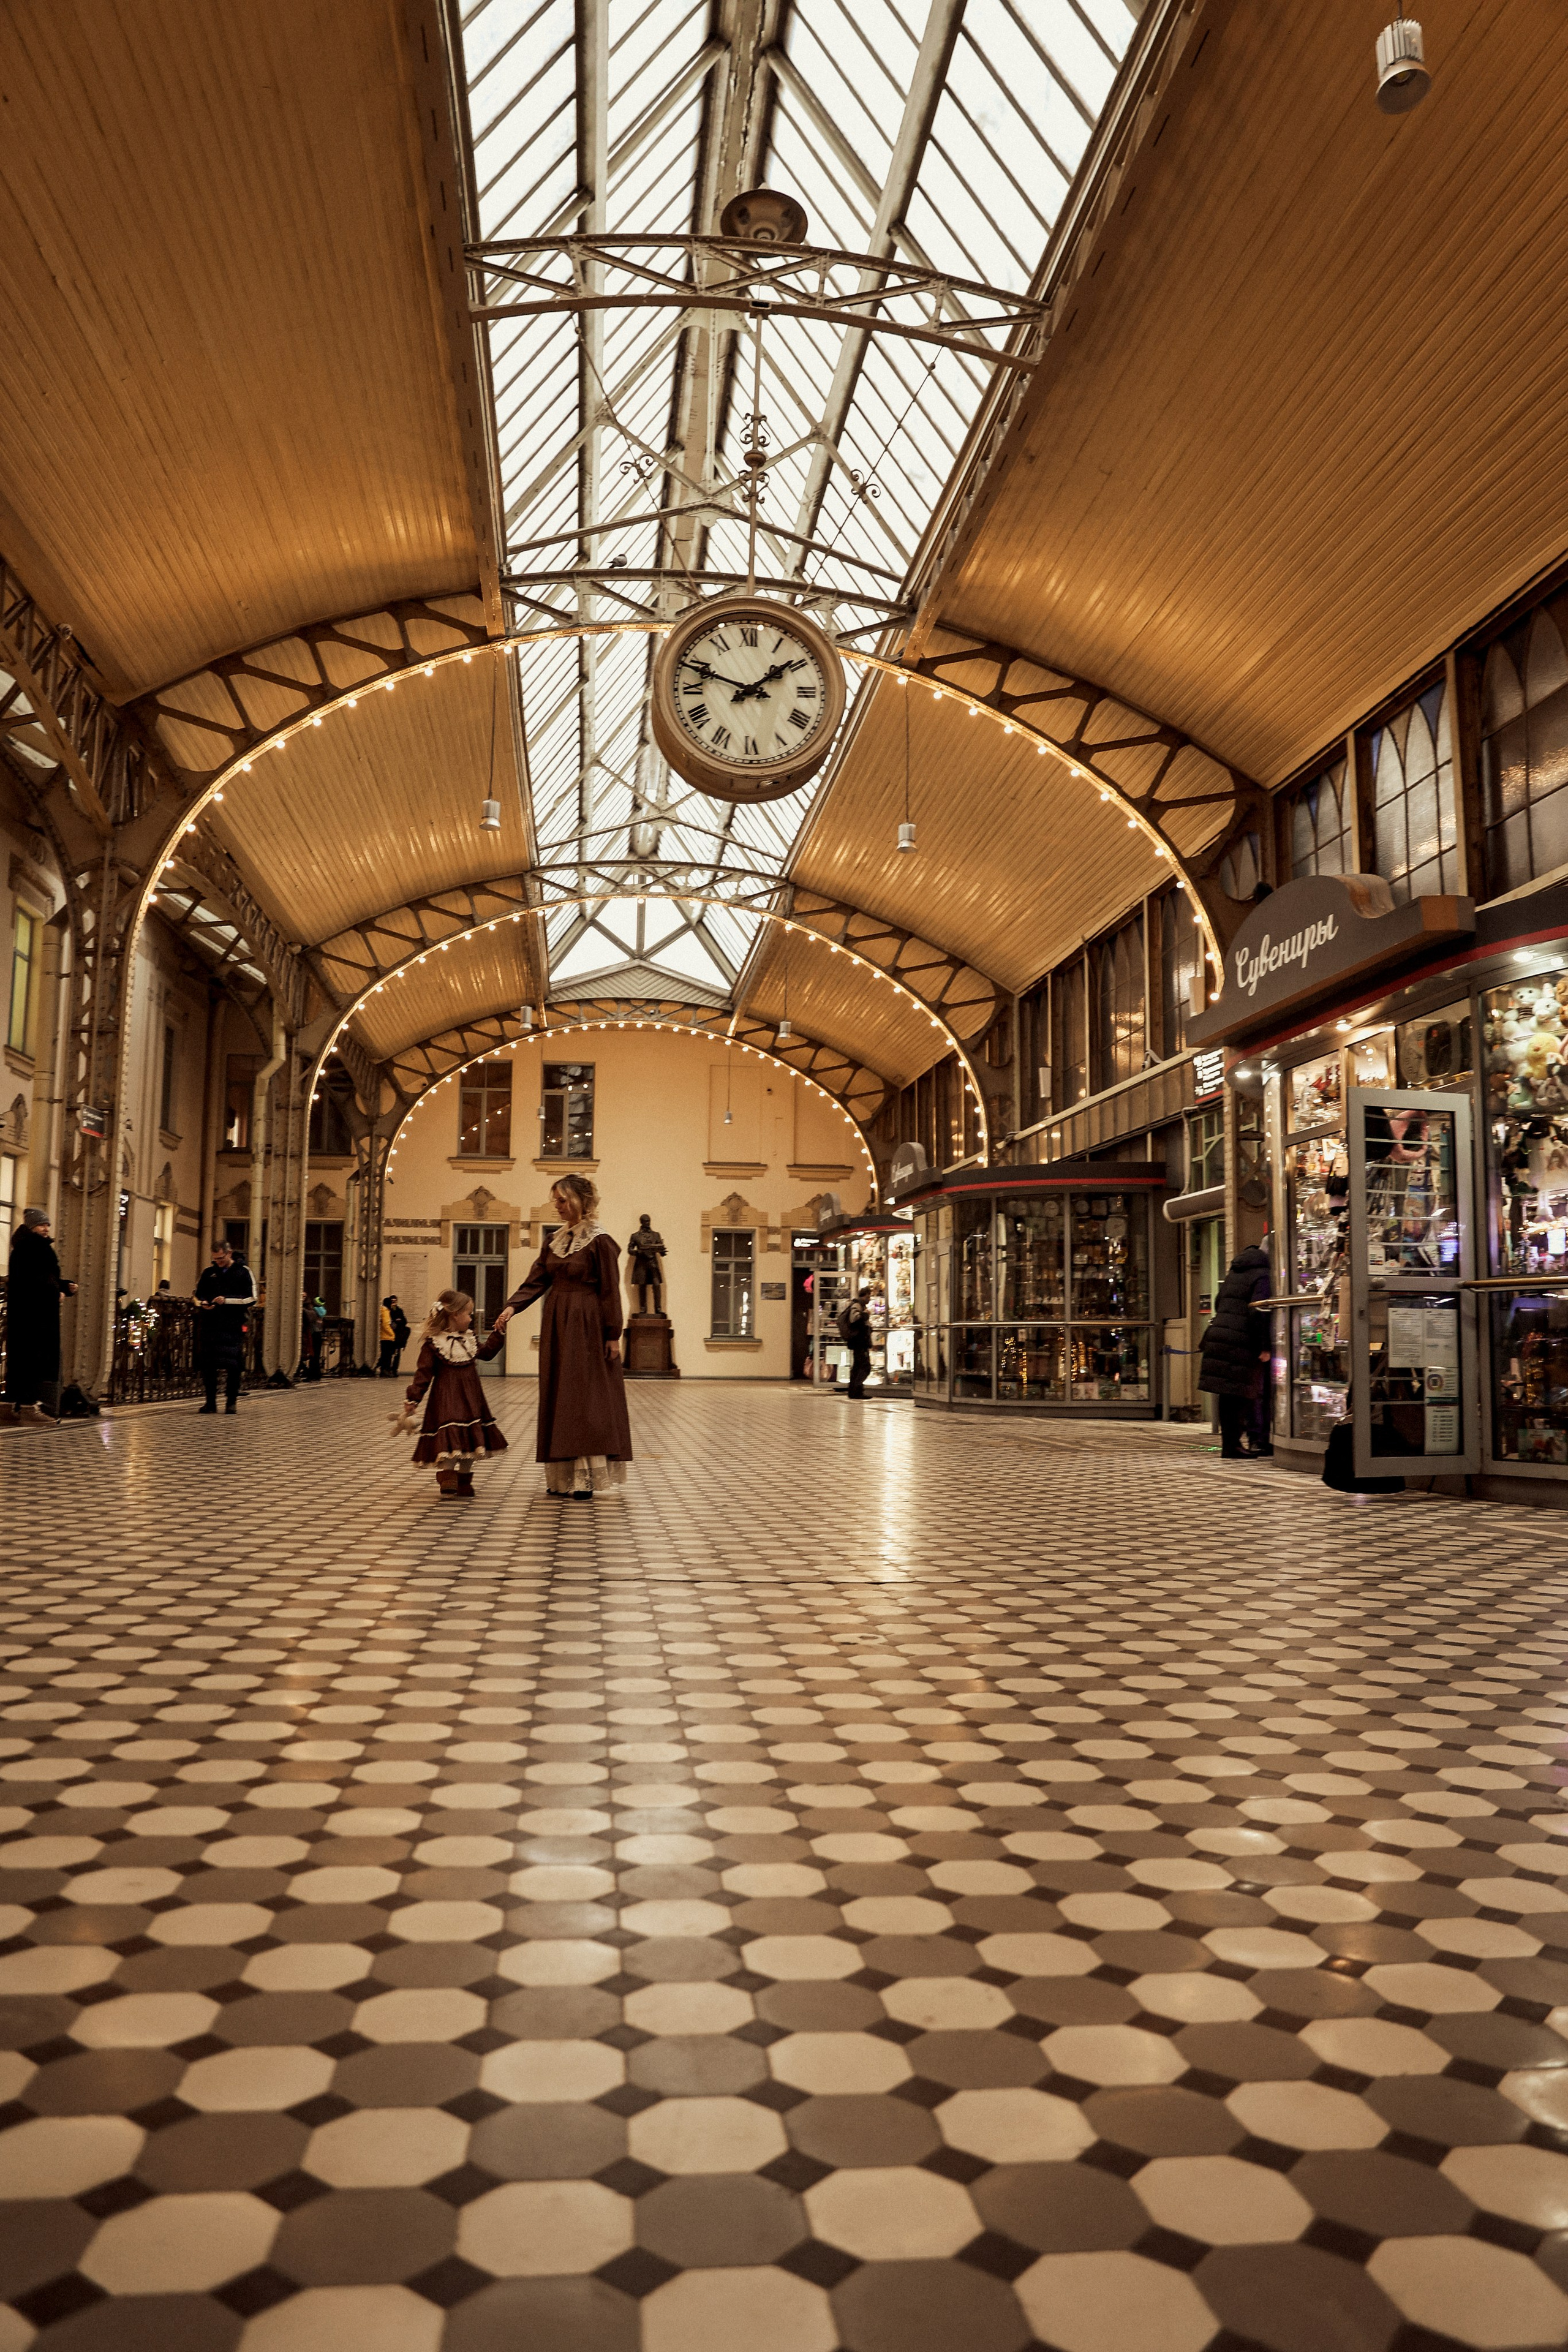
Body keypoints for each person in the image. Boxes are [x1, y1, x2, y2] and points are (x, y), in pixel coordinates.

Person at [493, 1174, 632, 1498]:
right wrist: (512, 1308)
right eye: (555, 1200)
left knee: (585, 1397)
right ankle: (562, 1477)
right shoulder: (554, 1240)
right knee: (560, 1394)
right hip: (557, 1323)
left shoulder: (601, 1241)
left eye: (562, 1199)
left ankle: (585, 1477)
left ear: (582, 1201)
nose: (557, 1206)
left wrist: (613, 1334)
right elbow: (537, 1280)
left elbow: (611, 1291)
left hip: (588, 1324)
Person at [390, 1287, 507, 1499]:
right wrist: (413, 1398)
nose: (471, 1319)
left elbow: (488, 1353)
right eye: (468, 1314)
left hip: (472, 1399)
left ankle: (465, 1479)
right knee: (450, 1435)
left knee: (470, 1439)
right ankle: (448, 1476)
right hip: (446, 1400)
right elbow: (423, 1373)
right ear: (455, 1315)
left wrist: (499, 1333)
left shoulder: (469, 1339)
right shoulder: (434, 1343)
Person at [1199, 1238, 1273, 1458]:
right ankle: (1237, 1445)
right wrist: (1264, 1346)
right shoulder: (1263, 1275)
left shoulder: (1237, 1270)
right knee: (1244, 1394)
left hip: (1222, 1334)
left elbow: (1219, 1300)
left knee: (1228, 1394)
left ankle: (1230, 1445)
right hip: (1242, 1339)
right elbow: (1258, 1310)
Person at [1, 1208, 77, 1427]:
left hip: (24, 1313)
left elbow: (41, 1279)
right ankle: (28, 1407)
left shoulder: (23, 1247)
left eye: (47, 1225)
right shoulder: (34, 1248)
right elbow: (37, 1282)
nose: (45, 1229)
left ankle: (8, 1405)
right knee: (33, 1361)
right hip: (36, 1316)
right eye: (41, 1225)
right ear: (31, 1226)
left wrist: (64, 1286)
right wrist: (57, 1292)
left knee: (20, 1360)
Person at [192, 1242, 255, 1414]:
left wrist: (227, 1300)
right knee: (208, 1365)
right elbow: (197, 1295)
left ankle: (231, 1402)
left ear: (229, 1253)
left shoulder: (243, 1272)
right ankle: (210, 1402)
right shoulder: (209, 1273)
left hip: (232, 1325)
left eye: (220, 1258)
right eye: (215, 1259)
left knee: (233, 1365)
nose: (218, 1262)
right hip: (210, 1325)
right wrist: (203, 1303)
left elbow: (252, 1298)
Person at [838, 1284, 875, 1399]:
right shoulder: (857, 1305)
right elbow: (855, 1320)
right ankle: (857, 1390)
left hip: (859, 1341)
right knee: (865, 1367)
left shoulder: (859, 1305)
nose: (870, 1299)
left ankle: (854, 1392)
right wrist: (866, 1315)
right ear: (863, 1296)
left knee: (858, 1367)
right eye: (868, 1296)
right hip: (859, 1341)